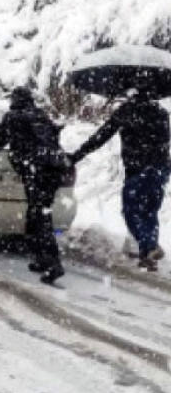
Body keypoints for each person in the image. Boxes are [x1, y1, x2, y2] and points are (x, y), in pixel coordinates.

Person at [69, 86, 170, 271]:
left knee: (131, 210)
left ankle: (149, 246)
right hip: (160, 169)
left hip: (138, 169)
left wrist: (76, 156)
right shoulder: (161, 112)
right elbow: (165, 141)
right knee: (149, 211)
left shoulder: (127, 111)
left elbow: (101, 137)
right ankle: (148, 254)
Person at [0, 87, 67, 285]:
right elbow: (52, 138)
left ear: (14, 100)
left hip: (37, 169)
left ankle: (53, 264)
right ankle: (41, 259)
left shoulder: (14, 117)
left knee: (40, 217)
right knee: (38, 214)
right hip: (54, 169)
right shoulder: (40, 115)